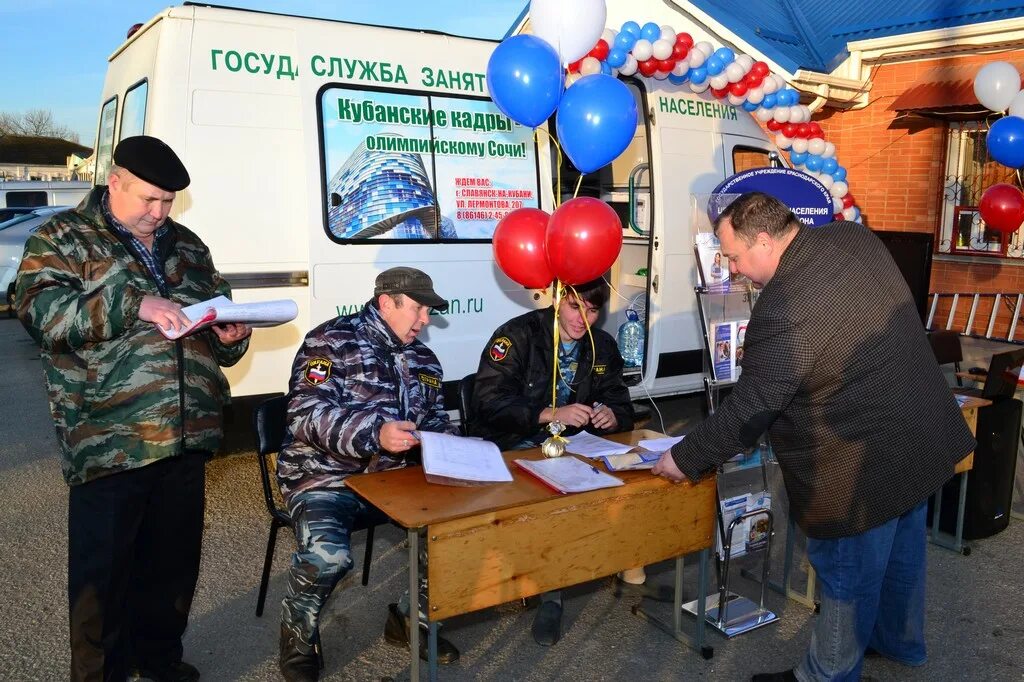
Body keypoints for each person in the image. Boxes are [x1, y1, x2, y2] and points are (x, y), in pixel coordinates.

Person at [652, 192, 975, 682]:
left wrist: (685, 457)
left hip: (859, 465)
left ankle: (826, 674)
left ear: (764, 240)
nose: (733, 269)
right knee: (903, 550)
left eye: (734, 257)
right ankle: (899, 645)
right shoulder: (850, 235)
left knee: (848, 572)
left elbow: (753, 406)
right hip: (921, 432)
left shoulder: (783, 305)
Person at [15, 135, 252, 682]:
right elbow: (39, 314)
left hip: (185, 436)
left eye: (168, 201)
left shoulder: (187, 245)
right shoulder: (63, 238)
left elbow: (213, 320)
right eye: (149, 199)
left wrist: (230, 334)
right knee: (104, 575)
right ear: (114, 181)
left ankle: (160, 658)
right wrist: (132, 302)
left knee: (172, 569)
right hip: (109, 440)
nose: (159, 212)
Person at [275, 267, 461, 681]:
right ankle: (298, 634)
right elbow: (306, 416)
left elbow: (434, 421)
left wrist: (457, 449)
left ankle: (412, 621)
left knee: (456, 533)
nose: (425, 321)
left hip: (393, 479)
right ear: (385, 302)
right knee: (329, 557)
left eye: (429, 311)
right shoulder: (331, 341)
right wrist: (374, 434)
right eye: (418, 309)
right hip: (324, 475)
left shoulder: (424, 359)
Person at [469, 277, 641, 646]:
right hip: (514, 444)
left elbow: (620, 401)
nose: (584, 319)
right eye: (577, 307)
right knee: (554, 498)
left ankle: (621, 555)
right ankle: (551, 593)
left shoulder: (603, 346)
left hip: (574, 448)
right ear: (559, 299)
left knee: (633, 478)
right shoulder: (518, 336)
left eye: (593, 310)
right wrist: (548, 412)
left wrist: (614, 416)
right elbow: (487, 401)